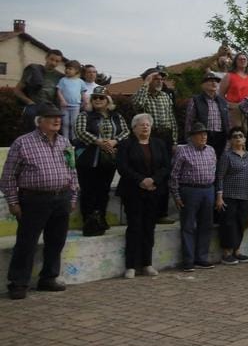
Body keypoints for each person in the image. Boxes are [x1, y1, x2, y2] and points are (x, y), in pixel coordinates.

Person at [1, 104, 77, 299]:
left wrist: (73, 196)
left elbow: (72, 171)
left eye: (59, 117)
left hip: (61, 198)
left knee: (56, 241)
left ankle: (49, 278)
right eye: (51, 117)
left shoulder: (64, 142)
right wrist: (13, 202)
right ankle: (18, 283)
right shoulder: (23, 143)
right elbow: (8, 176)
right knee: (27, 243)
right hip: (34, 199)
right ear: (39, 121)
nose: (57, 120)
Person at [116, 114, 169, 278]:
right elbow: (122, 167)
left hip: (153, 191)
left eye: (148, 124)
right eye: (141, 125)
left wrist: (153, 180)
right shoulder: (126, 145)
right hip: (133, 191)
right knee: (134, 227)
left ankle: (147, 263)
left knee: (149, 228)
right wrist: (141, 180)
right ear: (134, 128)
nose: (145, 127)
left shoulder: (159, 144)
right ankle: (131, 265)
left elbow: (166, 166)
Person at [74, 86, 129, 236]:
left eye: (101, 97)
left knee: (103, 191)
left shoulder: (116, 116)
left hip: (108, 159)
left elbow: (126, 131)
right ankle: (89, 221)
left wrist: (114, 141)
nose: (98, 100)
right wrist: (99, 142)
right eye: (95, 98)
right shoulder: (85, 115)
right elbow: (80, 132)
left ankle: (101, 219)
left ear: (107, 100)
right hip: (88, 159)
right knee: (88, 190)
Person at [170, 122, 218, 271]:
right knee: (188, 226)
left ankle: (201, 258)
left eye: (205, 134)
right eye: (200, 134)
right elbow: (174, 175)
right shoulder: (182, 151)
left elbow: (214, 170)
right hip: (190, 190)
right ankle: (188, 260)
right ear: (192, 137)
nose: (203, 136)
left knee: (206, 225)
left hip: (208, 189)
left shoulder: (211, 150)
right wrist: (176, 195)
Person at [215, 127, 248, 265]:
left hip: (244, 196)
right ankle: (227, 253)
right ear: (230, 140)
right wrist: (219, 196)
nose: (238, 138)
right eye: (235, 136)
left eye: (241, 135)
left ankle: (237, 251)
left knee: (240, 223)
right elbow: (219, 176)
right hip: (229, 195)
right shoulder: (226, 156)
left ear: (245, 139)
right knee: (228, 224)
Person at [12, 48, 64, 135]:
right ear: (46, 58)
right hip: (33, 105)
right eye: (51, 59)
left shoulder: (60, 77)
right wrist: (30, 102)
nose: (53, 63)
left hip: (50, 108)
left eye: (57, 61)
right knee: (30, 132)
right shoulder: (33, 70)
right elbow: (17, 90)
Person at [185, 72, 230, 158]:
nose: (214, 83)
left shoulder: (223, 101)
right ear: (203, 85)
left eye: (216, 81)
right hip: (202, 136)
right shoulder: (195, 100)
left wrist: (228, 139)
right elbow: (189, 122)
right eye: (210, 81)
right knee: (202, 160)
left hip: (220, 137)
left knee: (218, 162)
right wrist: (189, 139)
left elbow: (227, 122)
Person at [133, 67, 177, 148]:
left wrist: (174, 141)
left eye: (161, 79)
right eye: (156, 79)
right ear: (148, 80)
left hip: (166, 136)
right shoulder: (141, 95)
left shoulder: (165, 96)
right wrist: (146, 84)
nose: (160, 81)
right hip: (150, 135)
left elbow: (172, 119)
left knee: (167, 160)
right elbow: (138, 104)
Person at [218, 53, 248, 130]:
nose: (242, 61)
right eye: (240, 59)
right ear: (235, 61)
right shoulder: (229, 76)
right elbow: (221, 95)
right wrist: (229, 106)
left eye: (244, 59)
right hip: (236, 109)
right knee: (238, 133)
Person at [56, 59, 84, 142]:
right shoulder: (63, 80)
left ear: (76, 71)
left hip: (76, 106)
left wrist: (85, 101)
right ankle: (65, 140)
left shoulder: (80, 81)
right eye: (66, 68)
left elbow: (83, 92)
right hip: (65, 106)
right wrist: (62, 100)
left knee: (74, 123)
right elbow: (59, 91)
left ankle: (74, 140)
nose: (67, 70)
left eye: (70, 68)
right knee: (65, 123)